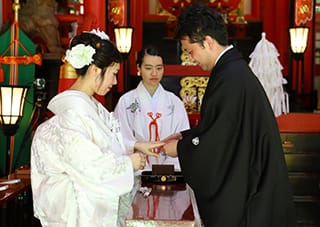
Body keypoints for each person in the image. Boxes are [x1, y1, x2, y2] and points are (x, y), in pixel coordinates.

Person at [163, 4, 296, 227]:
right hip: (252, 185)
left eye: (190, 51)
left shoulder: (230, 77)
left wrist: (181, 149)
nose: (191, 58)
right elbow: (223, 130)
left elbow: (218, 143)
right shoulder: (232, 71)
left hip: (251, 197)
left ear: (207, 42)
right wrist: (185, 137)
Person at [30, 29, 163, 227]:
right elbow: (91, 167)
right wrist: (129, 164)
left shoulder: (88, 109)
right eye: (113, 74)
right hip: (79, 215)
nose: (115, 82)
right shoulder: (72, 116)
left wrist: (136, 146)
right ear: (95, 70)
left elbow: (102, 144)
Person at [114, 46, 201, 226]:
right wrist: (137, 146)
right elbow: (119, 138)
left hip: (170, 175)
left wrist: (173, 159)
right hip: (138, 173)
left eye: (159, 68)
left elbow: (182, 136)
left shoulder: (174, 102)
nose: (154, 73)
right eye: (148, 68)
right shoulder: (127, 101)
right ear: (138, 69)